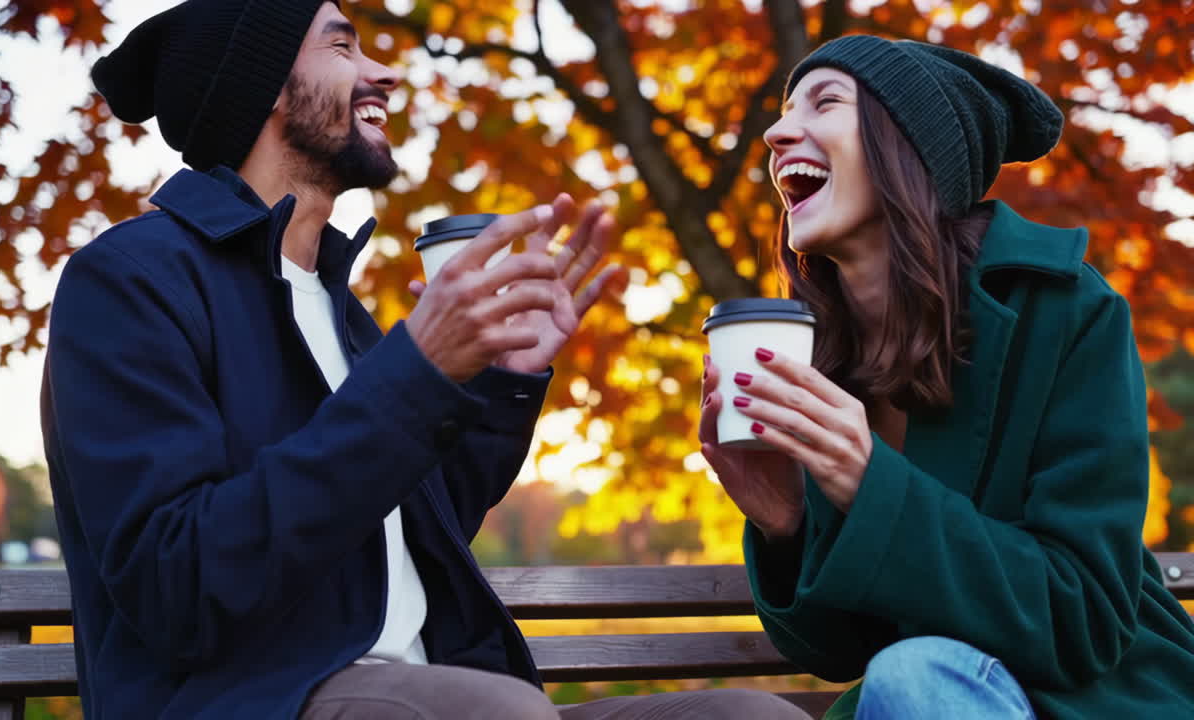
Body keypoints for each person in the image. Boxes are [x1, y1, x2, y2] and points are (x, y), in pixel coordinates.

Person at [42, 1, 810, 718]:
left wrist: (507, 381)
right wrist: (413, 370)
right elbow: (178, 585)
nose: (383, 72)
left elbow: (421, 526)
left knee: (749, 713)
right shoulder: (129, 282)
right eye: (342, 45)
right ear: (268, 87)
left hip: (434, 689)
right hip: (261, 699)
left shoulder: (343, 315)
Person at [699, 34, 1194, 720]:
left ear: (910, 147)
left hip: (1109, 702)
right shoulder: (816, 360)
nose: (777, 132)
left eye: (824, 102)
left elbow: (1085, 621)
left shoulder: (1068, 310)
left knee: (916, 675)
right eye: (783, 110)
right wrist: (785, 525)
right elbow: (840, 652)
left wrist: (871, 485)